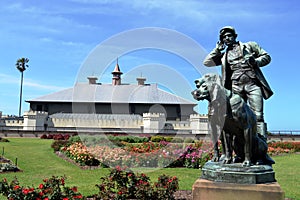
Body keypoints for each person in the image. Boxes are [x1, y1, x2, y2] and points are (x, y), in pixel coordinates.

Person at [203, 26, 273, 139]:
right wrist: (217, 50)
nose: (227, 38)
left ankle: (261, 143)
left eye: (229, 35)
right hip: (235, 87)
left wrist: (255, 61)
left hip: (252, 84)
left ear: (235, 36)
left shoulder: (250, 46)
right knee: (236, 116)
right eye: (224, 37)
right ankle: (241, 146)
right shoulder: (223, 56)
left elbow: (267, 57)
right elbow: (207, 62)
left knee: (258, 115)